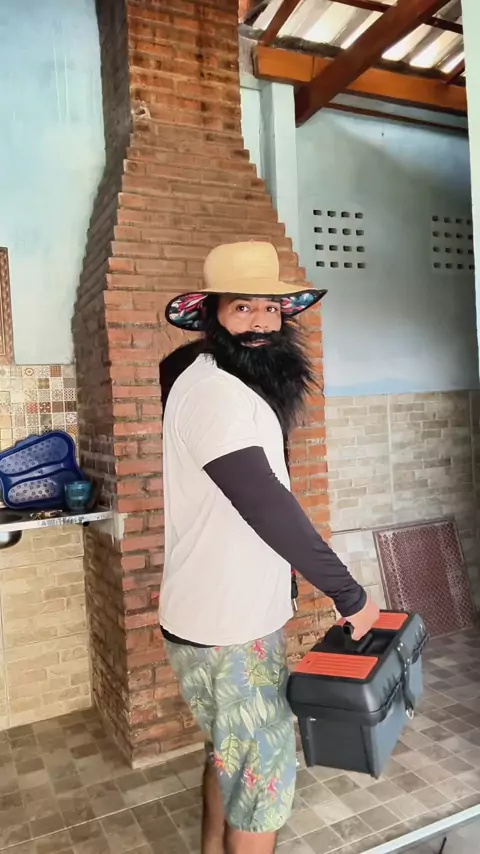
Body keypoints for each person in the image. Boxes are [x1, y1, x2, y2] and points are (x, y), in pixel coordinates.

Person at [159, 241, 379, 854]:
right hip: (229, 628)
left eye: (270, 308)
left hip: (219, 618)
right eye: (242, 308)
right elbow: (266, 506)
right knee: (263, 782)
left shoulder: (219, 381)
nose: (260, 322)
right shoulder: (216, 395)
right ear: (212, 317)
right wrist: (349, 594)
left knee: (232, 755)